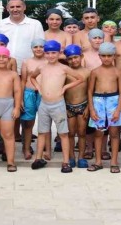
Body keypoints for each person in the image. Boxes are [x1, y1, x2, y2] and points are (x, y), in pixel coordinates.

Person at [29, 40, 83, 173]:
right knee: (42, 132)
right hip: (44, 104)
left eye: (53, 53)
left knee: (63, 133)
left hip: (58, 104)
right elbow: (32, 77)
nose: (51, 56)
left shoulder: (63, 68)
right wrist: (39, 88)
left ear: (59, 53)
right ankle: (38, 158)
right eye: (48, 53)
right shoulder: (42, 67)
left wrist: (65, 87)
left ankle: (65, 162)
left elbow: (80, 78)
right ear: (44, 53)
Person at [87, 42, 121, 173]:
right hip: (98, 102)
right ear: (99, 56)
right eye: (103, 56)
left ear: (114, 56)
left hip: (113, 102)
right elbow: (90, 91)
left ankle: (114, 162)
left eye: (109, 55)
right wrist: (92, 109)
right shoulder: (95, 72)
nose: (106, 58)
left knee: (114, 134)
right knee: (98, 134)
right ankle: (98, 161)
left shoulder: (118, 72)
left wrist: (118, 110)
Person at [0, 0, 44, 73]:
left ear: (24, 7)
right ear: (7, 8)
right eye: (12, 7)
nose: (15, 9)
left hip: (28, 70)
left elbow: (41, 47)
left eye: (18, 6)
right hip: (5, 69)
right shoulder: (0, 24)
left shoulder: (35, 24)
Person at [63, 44, 90, 169]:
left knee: (82, 133)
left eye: (76, 57)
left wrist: (88, 107)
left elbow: (90, 91)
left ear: (81, 56)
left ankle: (81, 157)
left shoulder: (87, 72)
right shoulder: (65, 73)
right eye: (70, 58)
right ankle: (71, 157)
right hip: (69, 106)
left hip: (83, 105)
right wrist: (64, 107)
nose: (74, 60)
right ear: (67, 60)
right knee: (70, 133)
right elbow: (62, 91)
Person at [19, 38, 46, 159]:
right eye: (36, 47)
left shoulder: (49, 61)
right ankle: (26, 148)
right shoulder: (27, 62)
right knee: (28, 123)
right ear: (32, 48)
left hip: (44, 94)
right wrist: (20, 98)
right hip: (29, 93)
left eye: (41, 46)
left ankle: (45, 148)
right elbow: (23, 80)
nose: (38, 49)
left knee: (45, 122)